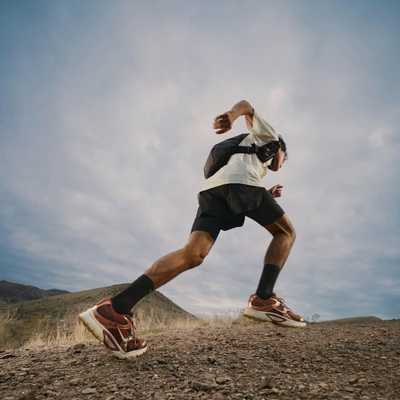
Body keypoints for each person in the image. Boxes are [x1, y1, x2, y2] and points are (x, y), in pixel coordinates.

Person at [79, 100, 306, 359]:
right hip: (240, 186)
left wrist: (265, 194)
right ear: (281, 152)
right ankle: (264, 299)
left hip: (212, 192)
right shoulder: (270, 136)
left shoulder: (251, 157)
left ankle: (115, 310)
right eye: (283, 160)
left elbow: (238, 186)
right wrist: (232, 116)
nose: (280, 165)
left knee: (193, 254)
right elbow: (246, 105)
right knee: (286, 233)